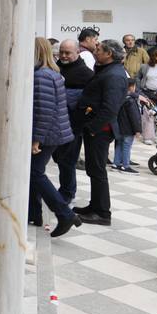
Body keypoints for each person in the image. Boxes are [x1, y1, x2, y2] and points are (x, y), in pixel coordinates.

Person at [73, 39, 128, 226]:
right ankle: (95, 206)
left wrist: (92, 128)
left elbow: (110, 108)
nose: (95, 51)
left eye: (98, 49)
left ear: (109, 54)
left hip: (100, 130)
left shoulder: (114, 75)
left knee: (97, 170)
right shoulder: (107, 70)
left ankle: (102, 213)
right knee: (93, 169)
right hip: (96, 128)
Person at [30, 37, 79, 237]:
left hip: (48, 134)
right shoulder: (51, 73)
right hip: (53, 132)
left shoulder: (42, 76)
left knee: (35, 173)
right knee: (33, 172)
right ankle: (34, 213)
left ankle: (65, 213)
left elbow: (44, 111)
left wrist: (36, 139)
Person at [53, 39, 94, 204]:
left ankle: (68, 193)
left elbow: (88, 103)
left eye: (67, 53)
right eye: (61, 52)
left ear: (77, 52)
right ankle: (65, 191)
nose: (63, 55)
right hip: (54, 123)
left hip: (73, 126)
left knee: (67, 160)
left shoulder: (86, 74)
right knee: (59, 158)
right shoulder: (55, 67)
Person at [112, 77, 142, 173]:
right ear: (132, 87)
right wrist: (137, 130)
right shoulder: (131, 101)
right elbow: (134, 117)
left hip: (119, 126)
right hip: (128, 128)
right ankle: (125, 165)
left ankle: (116, 163)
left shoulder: (119, 98)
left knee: (119, 145)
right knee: (126, 146)